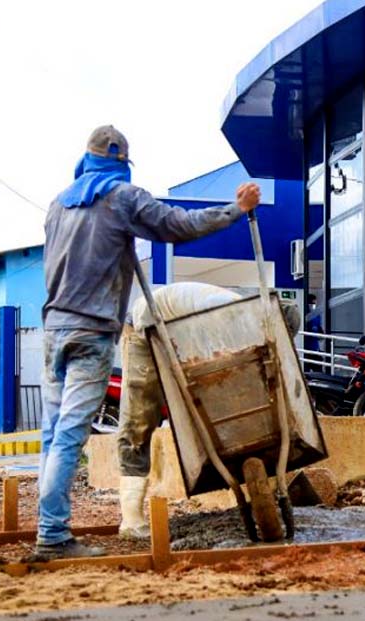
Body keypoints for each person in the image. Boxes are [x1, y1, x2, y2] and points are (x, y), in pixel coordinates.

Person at [37, 125, 261, 558]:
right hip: (92, 331)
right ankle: (53, 537)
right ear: (121, 162)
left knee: (52, 433)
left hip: (53, 330)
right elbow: (178, 224)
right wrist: (236, 209)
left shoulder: (57, 205)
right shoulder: (123, 197)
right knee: (69, 434)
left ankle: (48, 527)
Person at [117, 284, 301, 538]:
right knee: (139, 420)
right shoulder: (222, 311)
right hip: (144, 329)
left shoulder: (245, 322)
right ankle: (131, 519)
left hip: (175, 329)